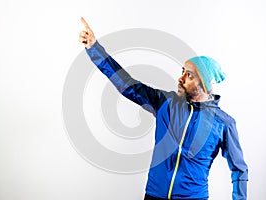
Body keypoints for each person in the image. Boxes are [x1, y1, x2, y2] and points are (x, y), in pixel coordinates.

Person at [78, 17, 248, 200]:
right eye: (182, 71)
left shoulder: (223, 123)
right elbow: (127, 85)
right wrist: (94, 48)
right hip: (154, 195)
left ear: (205, 85)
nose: (180, 78)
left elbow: (239, 169)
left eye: (189, 75)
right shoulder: (166, 102)